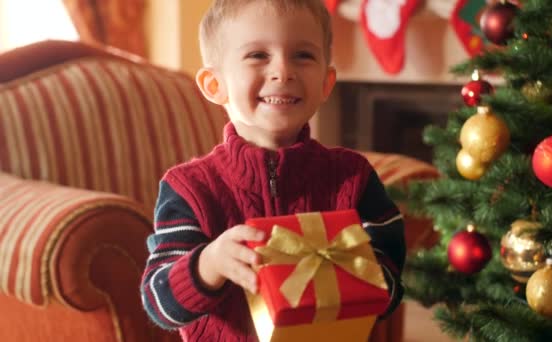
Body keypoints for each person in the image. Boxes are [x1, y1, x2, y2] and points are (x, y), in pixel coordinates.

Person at [140, 1, 406, 341]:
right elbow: (158, 301)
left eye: (303, 56)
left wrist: (357, 274)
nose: (283, 71)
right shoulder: (189, 188)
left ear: (326, 82)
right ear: (214, 84)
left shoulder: (353, 177)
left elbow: (391, 281)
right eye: (257, 55)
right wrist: (209, 263)